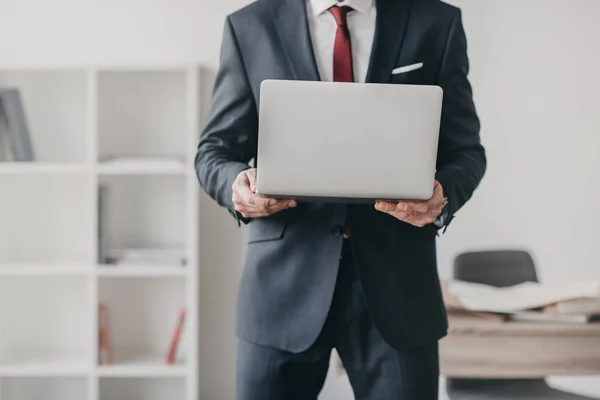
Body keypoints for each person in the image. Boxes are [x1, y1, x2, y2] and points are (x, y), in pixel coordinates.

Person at [195, 0, 486, 398]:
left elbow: (466, 151)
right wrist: (236, 185)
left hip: (399, 291)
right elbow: (214, 151)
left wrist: (444, 193)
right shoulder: (249, 25)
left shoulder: (436, 22)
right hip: (281, 289)